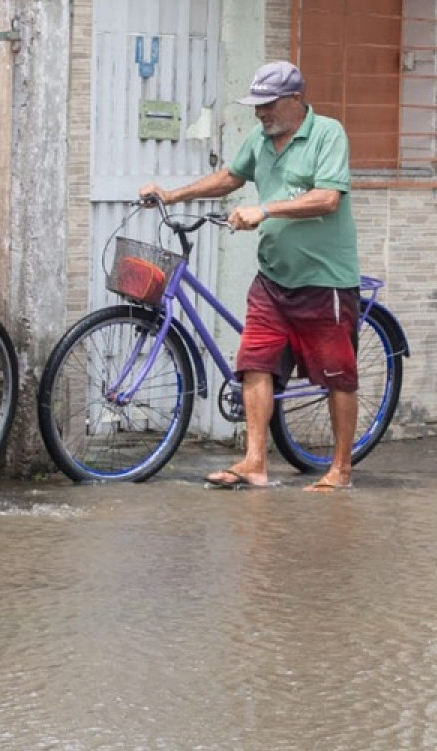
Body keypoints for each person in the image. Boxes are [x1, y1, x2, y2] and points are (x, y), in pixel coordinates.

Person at [140, 60, 361, 492]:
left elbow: (327, 198)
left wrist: (265, 209)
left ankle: (341, 469)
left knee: (338, 375)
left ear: (295, 98)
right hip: (273, 278)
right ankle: (255, 462)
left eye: (268, 104)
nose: (260, 112)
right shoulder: (260, 140)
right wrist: (173, 194)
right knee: (255, 364)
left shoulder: (328, 134)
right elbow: (230, 177)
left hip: (325, 280)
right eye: (256, 105)